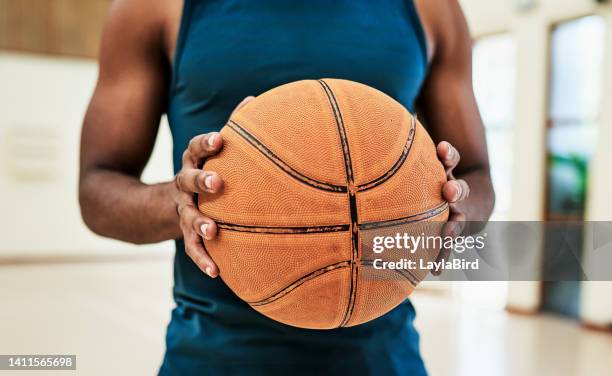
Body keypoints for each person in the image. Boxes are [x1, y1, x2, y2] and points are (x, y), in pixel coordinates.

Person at [79, 0, 495, 374]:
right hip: (211, 356)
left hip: (384, 356)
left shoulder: (432, 9)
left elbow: (476, 175)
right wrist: (179, 201)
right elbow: (97, 187)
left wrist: (451, 212)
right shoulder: (152, 8)